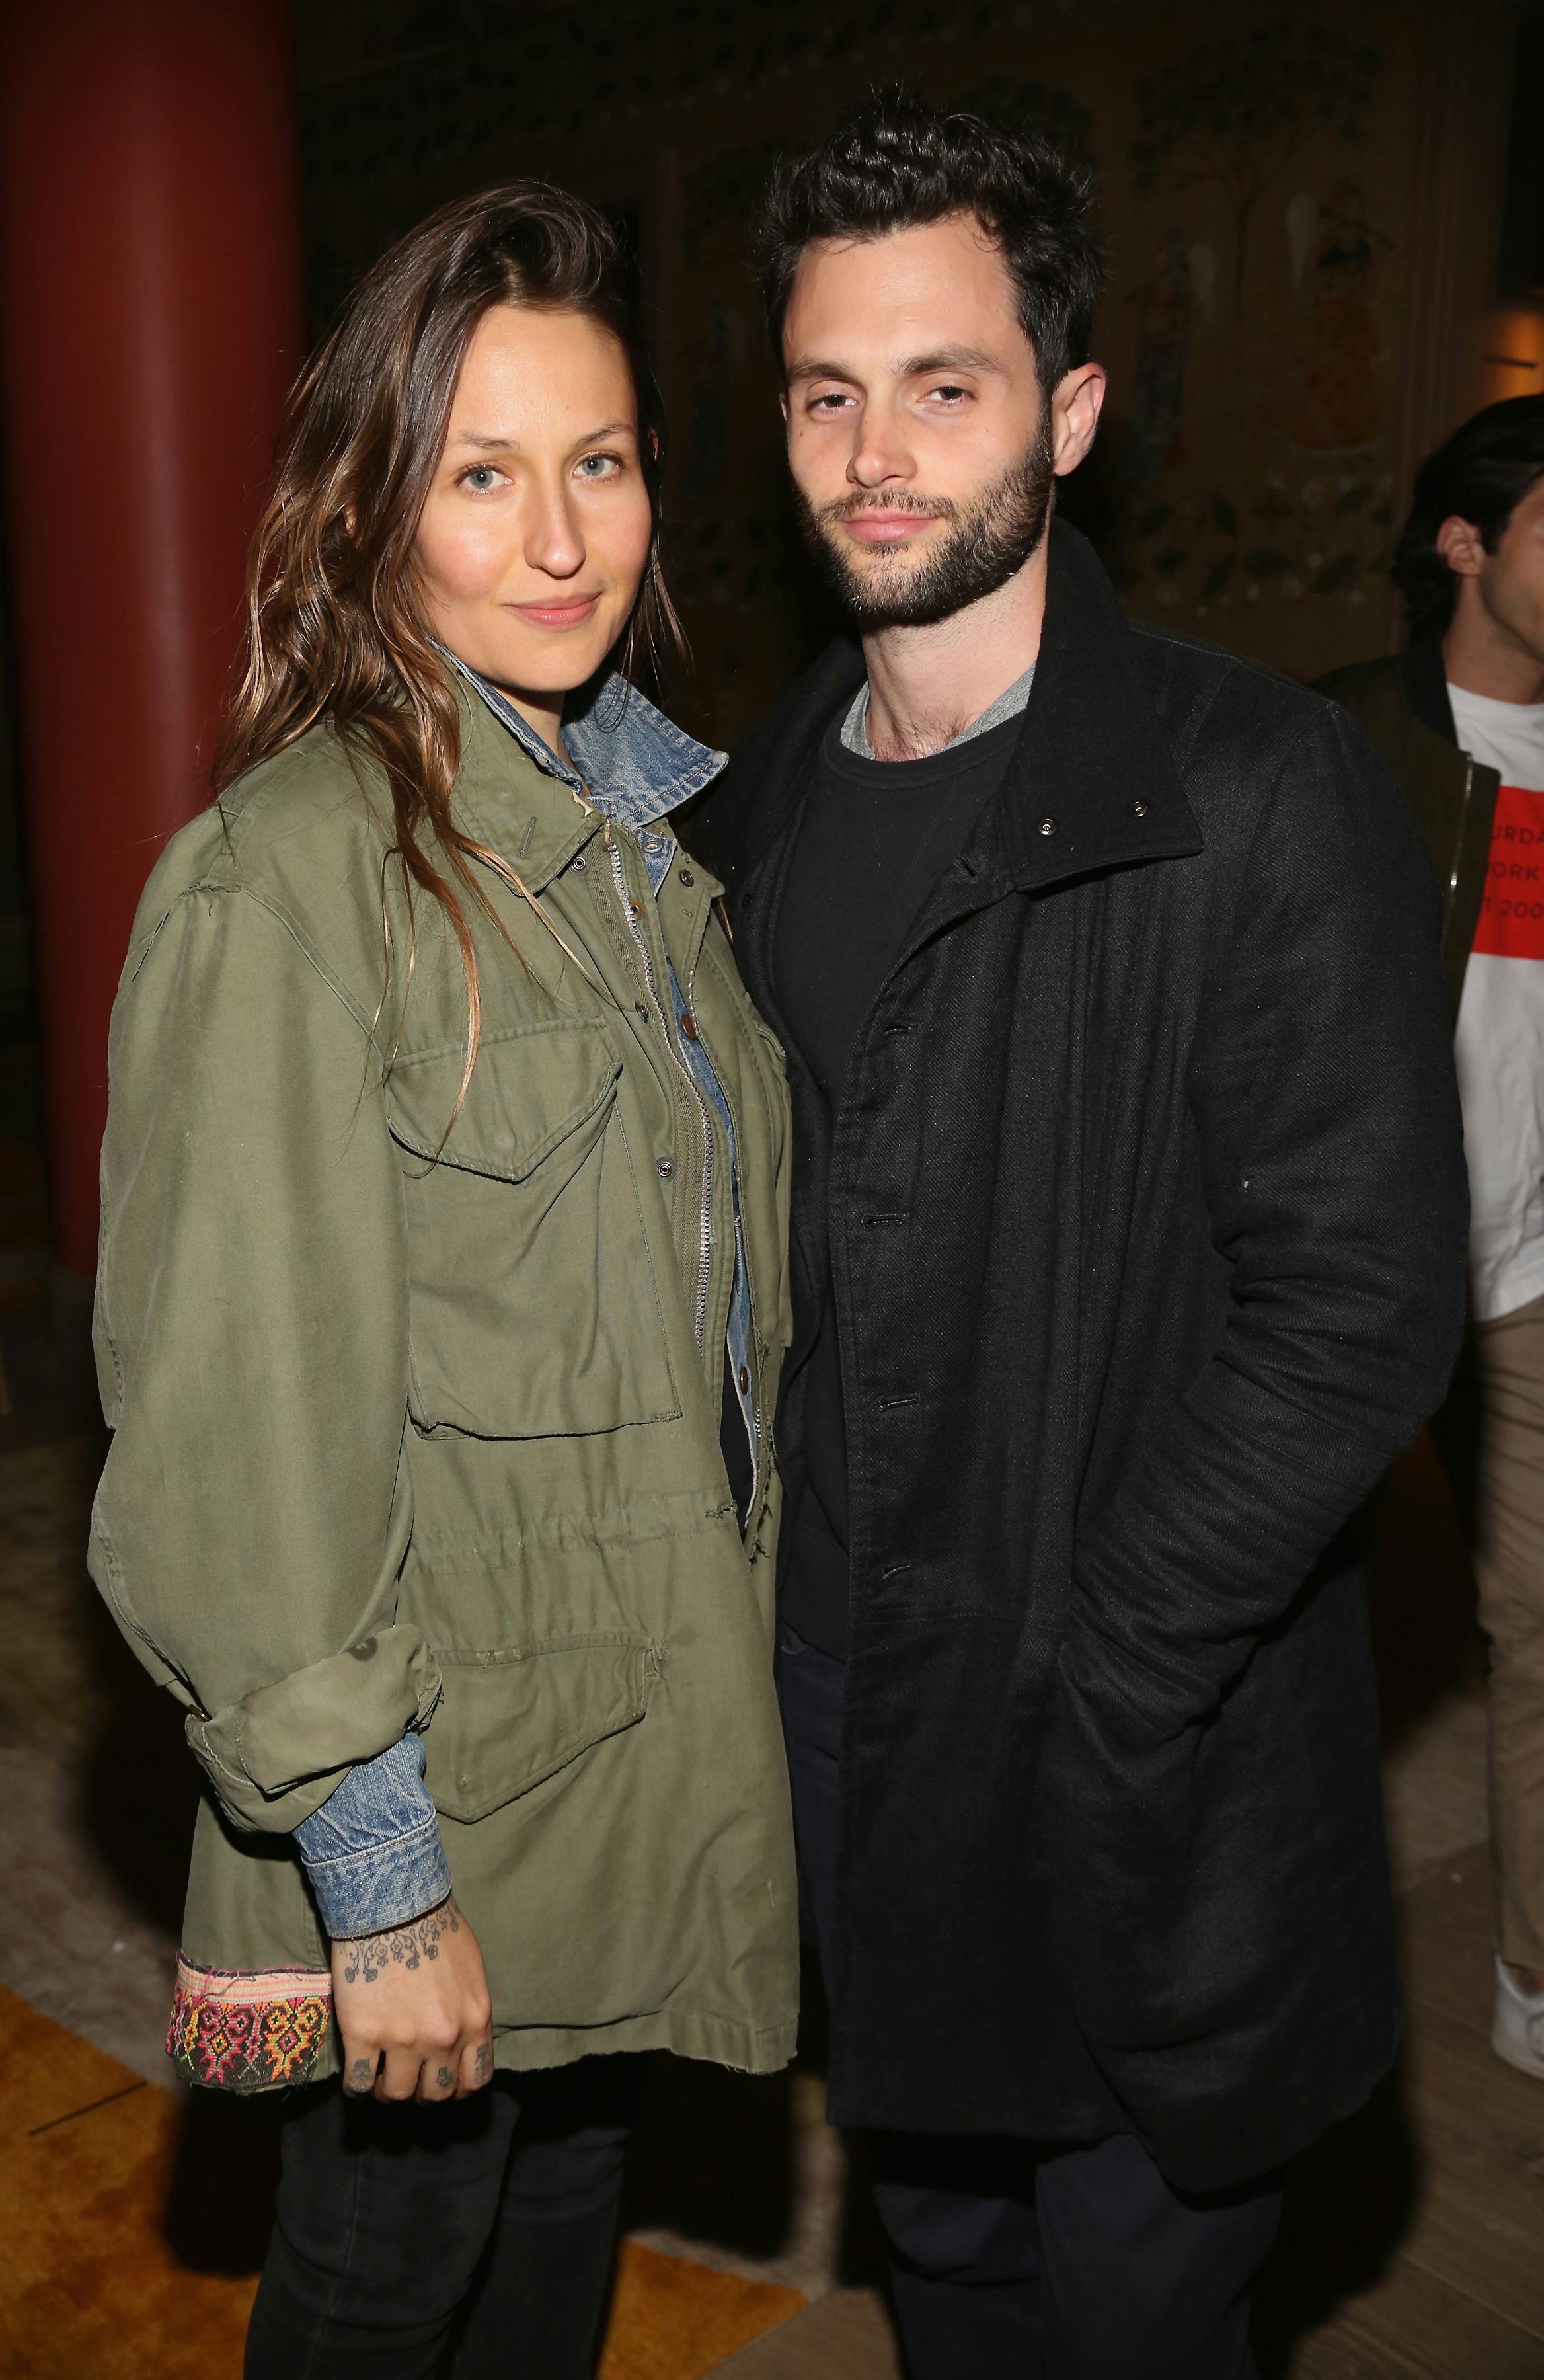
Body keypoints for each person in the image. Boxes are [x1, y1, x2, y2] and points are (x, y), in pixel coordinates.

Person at [687, 88, 1468, 2380]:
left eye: (947, 383)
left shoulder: (1248, 793)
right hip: (841, 1714)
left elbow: (1364, 1307)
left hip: (1136, 1737)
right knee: (944, 2261)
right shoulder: (744, 812)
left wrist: (1117, 1662)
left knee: (1140, 2304)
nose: (877, 449)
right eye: (830, 393)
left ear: (1075, 408)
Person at [88, 182, 798, 2377]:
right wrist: (376, 1874)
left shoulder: (638, 857)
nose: (559, 535)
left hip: (625, 1733)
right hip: (444, 1793)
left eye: (596, 462)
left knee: (565, 2226)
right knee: (384, 2287)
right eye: (481, 473)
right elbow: (229, 1438)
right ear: (369, 507)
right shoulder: (289, 886)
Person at [1320, 393, 1544, 2086]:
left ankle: (1535, 1983)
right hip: (1353, 1277)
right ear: (1466, 543)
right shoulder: (1342, 753)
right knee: (1291, 1640)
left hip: (1534, 1281)